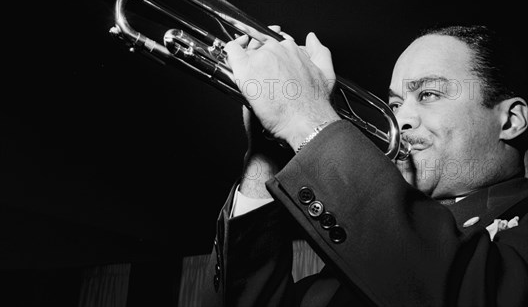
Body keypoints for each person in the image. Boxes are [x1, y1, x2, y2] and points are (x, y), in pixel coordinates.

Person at [201, 24, 528, 307]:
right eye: (396, 104)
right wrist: (265, 159)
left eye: (428, 94)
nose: (401, 121)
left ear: (510, 120)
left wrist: (305, 118)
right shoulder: (347, 257)